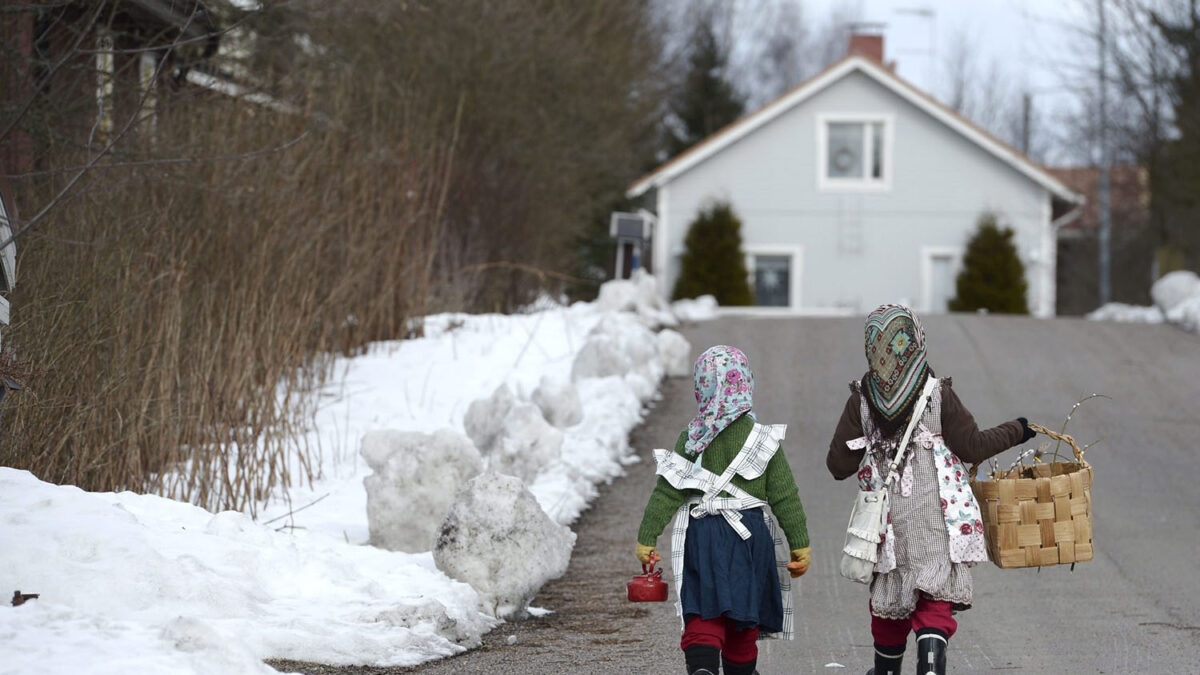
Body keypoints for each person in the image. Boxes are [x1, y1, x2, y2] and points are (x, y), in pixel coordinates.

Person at [827, 305, 1036, 675]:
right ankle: (930, 665)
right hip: (936, 515)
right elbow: (973, 446)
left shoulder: (860, 400)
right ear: (915, 342)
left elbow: (838, 466)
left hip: (888, 524)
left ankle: (886, 670)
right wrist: (1017, 429)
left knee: (891, 594)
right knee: (934, 592)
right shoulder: (937, 394)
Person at [636, 345, 810, 675]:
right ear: (746, 385)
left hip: (703, 535)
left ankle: (702, 667)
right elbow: (786, 497)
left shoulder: (692, 439)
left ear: (702, 389)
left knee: (703, 606)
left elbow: (667, 492)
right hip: (750, 538)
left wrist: (647, 537)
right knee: (743, 615)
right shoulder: (762, 440)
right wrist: (800, 543)